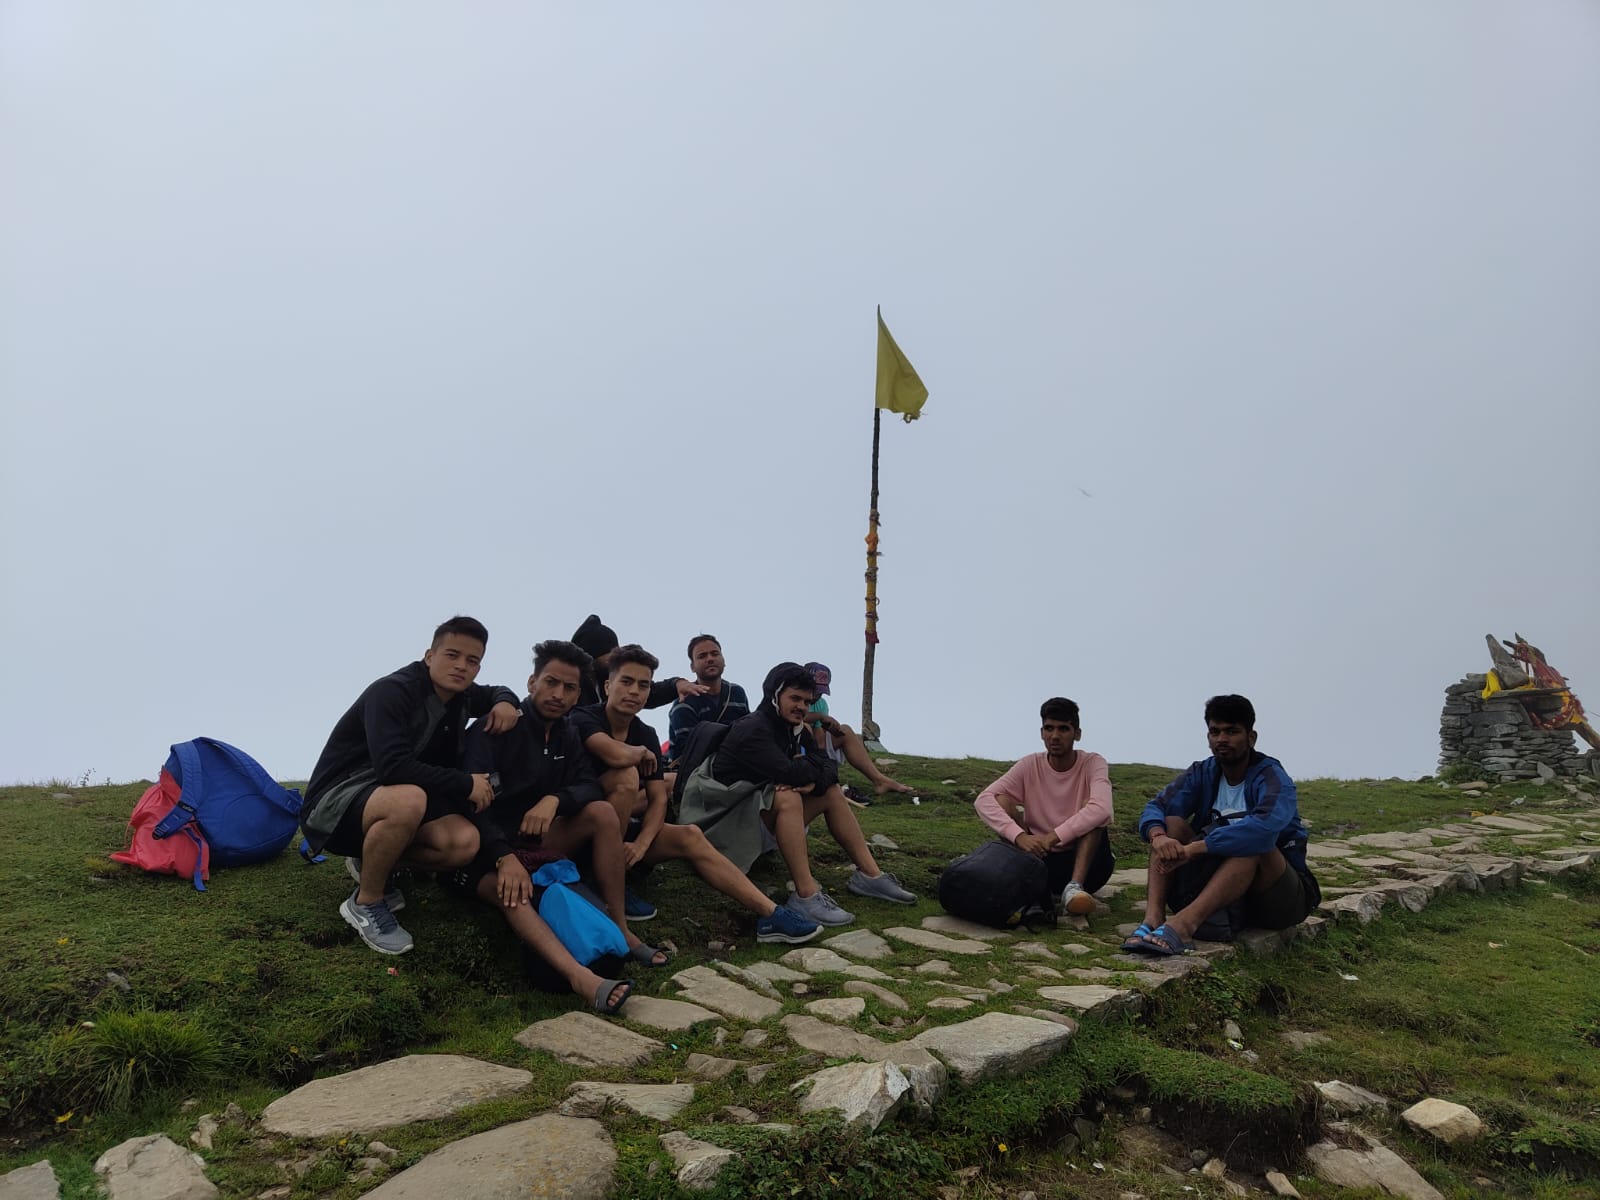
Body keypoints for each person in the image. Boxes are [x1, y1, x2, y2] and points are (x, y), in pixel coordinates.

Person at [458, 638, 669, 1003]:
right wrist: (502, 856)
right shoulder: (494, 729)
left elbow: (588, 785)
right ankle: (582, 980)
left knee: (602, 811)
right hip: (486, 852)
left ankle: (620, 928)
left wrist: (554, 800)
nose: (559, 694)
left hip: (539, 845)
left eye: (569, 687)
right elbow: (471, 804)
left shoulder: (567, 733)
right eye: (551, 682)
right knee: (516, 893)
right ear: (531, 682)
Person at [301, 616, 522, 956]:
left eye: (473, 660)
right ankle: (367, 902)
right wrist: (465, 783)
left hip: (385, 803)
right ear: (429, 655)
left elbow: (495, 692)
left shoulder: (460, 696)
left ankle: (374, 861)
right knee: (409, 799)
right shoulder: (392, 691)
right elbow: (392, 768)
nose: (461, 666)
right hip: (336, 804)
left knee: (464, 843)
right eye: (452, 655)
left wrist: (506, 701)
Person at [571, 644, 821, 943]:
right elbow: (612, 753)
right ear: (608, 685)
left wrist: (641, 844)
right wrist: (641, 755)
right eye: (626, 682)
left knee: (689, 834)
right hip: (579, 828)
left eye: (644, 685)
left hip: (620, 833)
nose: (634, 691)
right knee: (625, 778)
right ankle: (604, 879)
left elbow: (659, 799)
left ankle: (771, 916)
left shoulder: (646, 734)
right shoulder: (584, 718)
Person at [677, 661, 918, 927]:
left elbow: (828, 767)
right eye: (794, 698)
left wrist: (811, 778)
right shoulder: (753, 729)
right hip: (720, 830)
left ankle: (870, 876)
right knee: (789, 796)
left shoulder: (794, 729)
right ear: (774, 696)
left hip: (751, 820)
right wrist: (806, 771)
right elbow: (793, 773)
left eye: (806, 700)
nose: (802, 706)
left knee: (831, 792)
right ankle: (806, 894)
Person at [1126, 694, 1320, 956]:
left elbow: (1263, 830)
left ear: (1251, 738)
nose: (1222, 739)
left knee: (1252, 844)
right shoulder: (1203, 772)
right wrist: (1158, 836)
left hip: (1278, 896)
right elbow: (1157, 807)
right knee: (1170, 824)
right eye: (1215, 732)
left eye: (1232, 731)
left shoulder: (1273, 778)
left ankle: (1183, 926)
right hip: (1224, 887)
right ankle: (1152, 919)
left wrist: (1193, 850)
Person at [974, 697, 1114, 917]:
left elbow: (1103, 809)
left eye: (1063, 729)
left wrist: (1054, 836)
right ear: (1041, 733)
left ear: (1077, 734)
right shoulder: (1030, 764)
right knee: (1001, 800)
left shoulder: (1093, 763)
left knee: (1093, 808)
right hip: (1039, 856)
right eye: (1049, 728)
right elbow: (984, 800)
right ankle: (1032, 881)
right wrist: (1020, 837)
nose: (1055, 736)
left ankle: (1074, 887)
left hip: (1089, 865)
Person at [801, 661, 912, 802]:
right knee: (805, 728)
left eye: (820, 692)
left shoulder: (820, 704)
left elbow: (820, 744)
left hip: (813, 750)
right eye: (814, 690)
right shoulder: (792, 697)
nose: (817, 695)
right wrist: (820, 717)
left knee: (845, 730)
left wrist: (827, 727)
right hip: (792, 747)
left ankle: (879, 780)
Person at [570, 614, 702, 710]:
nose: (633, 691)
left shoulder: (642, 734)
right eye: (608, 653)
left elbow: (649, 692)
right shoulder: (570, 686)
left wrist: (676, 684)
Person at [666, 634, 751, 765]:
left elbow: (747, 733)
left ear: (723, 660)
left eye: (715, 654)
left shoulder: (736, 693)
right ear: (692, 667)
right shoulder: (684, 702)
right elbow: (689, 749)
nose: (710, 659)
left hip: (737, 763)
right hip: (693, 773)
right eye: (702, 656)